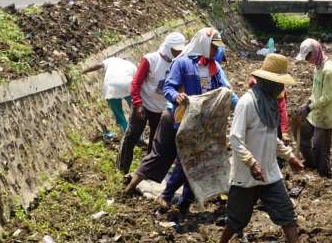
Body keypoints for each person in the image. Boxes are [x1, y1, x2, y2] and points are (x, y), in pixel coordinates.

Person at [215, 53, 316, 243]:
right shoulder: (247, 103)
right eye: (279, 84)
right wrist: (251, 163)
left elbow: (272, 138)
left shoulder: (270, 105)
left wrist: (289, 157)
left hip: (269, 173)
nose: (282, 89)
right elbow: (235, 138)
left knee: (286, 212)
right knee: (237, 219)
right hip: (246, 175)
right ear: (267, 82)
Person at [124, 27, 236, 214]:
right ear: (203, 45)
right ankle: (148, 190)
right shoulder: (183, 63)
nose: (216, 52)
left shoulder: (214, 69)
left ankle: (183, 201)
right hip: (176, 118)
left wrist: (237, 106)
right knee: (163, 155)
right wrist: (177, 96)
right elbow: (169, 87)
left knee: (191, 161)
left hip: (198, 122)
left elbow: (226, 91)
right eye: (214, 47)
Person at [117, 31, 186, 175]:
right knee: (132, 136)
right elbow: (136, 83)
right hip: (143, 105)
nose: (178, 52)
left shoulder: (178, 63)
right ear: (168, 47)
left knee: (155, 142)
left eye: (180, 50)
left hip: (160, 109)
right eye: (175, 50)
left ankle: (145, 173)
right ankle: (121, 169)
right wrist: (137, 104)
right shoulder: (151, 60)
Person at [295, 38, 332, 177]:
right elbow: (315, 91)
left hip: (325, 115)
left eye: (308, 56)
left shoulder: (329, 70)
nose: (307, 60)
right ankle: (311, 162)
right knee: (302, 134)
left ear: (315, 52)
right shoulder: (317, 67)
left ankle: (324, 174)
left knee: (320, 148)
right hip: (315, 110)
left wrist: (309, 108)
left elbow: (326, 98)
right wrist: (308, 103)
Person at [82, 56, 137, 137]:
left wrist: (84, 71)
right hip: (128, 85)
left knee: (119, 114)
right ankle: (138, 135)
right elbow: (138, 79)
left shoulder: (111, 60)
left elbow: (98, 65)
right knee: (135, 112)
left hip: (111, 87)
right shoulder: (131, 64)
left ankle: (127, 135)